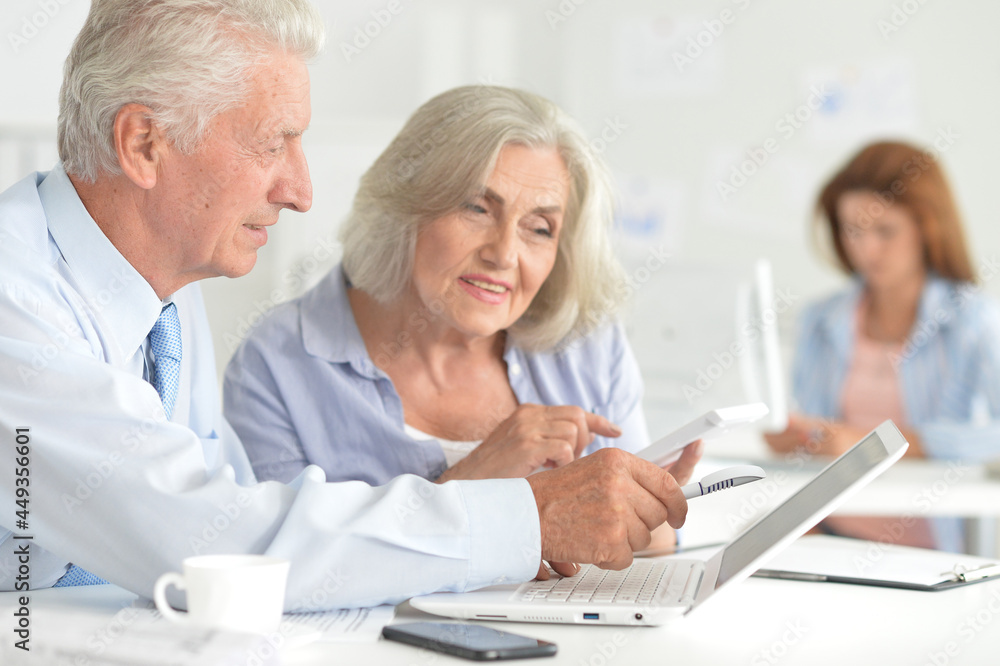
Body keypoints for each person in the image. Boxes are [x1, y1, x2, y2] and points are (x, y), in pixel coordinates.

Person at [0, 0, 692, 608]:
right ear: (144, 144)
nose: (301, 190)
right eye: (274, 143)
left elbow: (245, 516)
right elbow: (220, 542)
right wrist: (528, 517)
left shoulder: (162, 303)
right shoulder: (16, 301)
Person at [223, 85, 694, 551]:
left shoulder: (588, 345)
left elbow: (652, 546)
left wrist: (654, 512)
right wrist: (477, 478)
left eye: (539, 228)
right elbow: (278, 562)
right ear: (404, 207)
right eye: (476, 208)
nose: (505, 253)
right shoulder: (277, 363)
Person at [764, 140, 1000, 548]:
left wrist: (881, 443)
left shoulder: (973, 320)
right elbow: (825, 434)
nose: (866, 249)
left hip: (933, 552)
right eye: (852, 230)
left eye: (885, 231)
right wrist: (800, 439)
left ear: (927, 229)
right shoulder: (821, 320)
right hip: (832, 536)